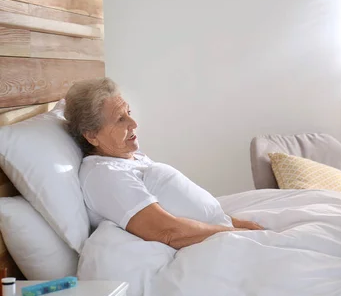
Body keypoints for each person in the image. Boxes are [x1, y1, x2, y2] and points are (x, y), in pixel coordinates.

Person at [64, 78, 262, 249]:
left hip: (221, 231)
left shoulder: (126, 158)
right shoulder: (104, 176)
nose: (134, 123)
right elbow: (167, 232)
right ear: (91, 136)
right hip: (212, 243)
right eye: (120, 119)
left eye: (129, 112)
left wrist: (235, 224)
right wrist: (237, 232)